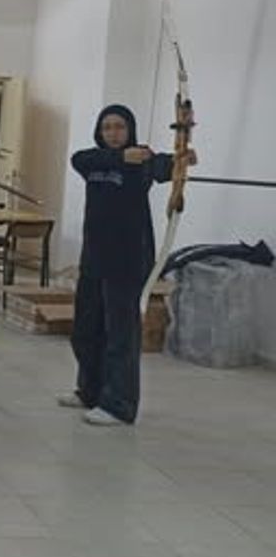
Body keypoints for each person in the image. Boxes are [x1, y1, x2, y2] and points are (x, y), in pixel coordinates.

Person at [61, 105, 193, 426]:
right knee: (85, 330)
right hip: (94, 259)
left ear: (130, 129)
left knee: (120, 334)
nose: (113, 132)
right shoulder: (92, 161)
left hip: (127, 261)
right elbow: (79, 159)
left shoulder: (143, 159)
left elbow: (165, 166)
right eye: (107, 127)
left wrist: (182, 157)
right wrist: (120, 157)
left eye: (119, 126)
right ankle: (90, 391)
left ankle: (119, 405)